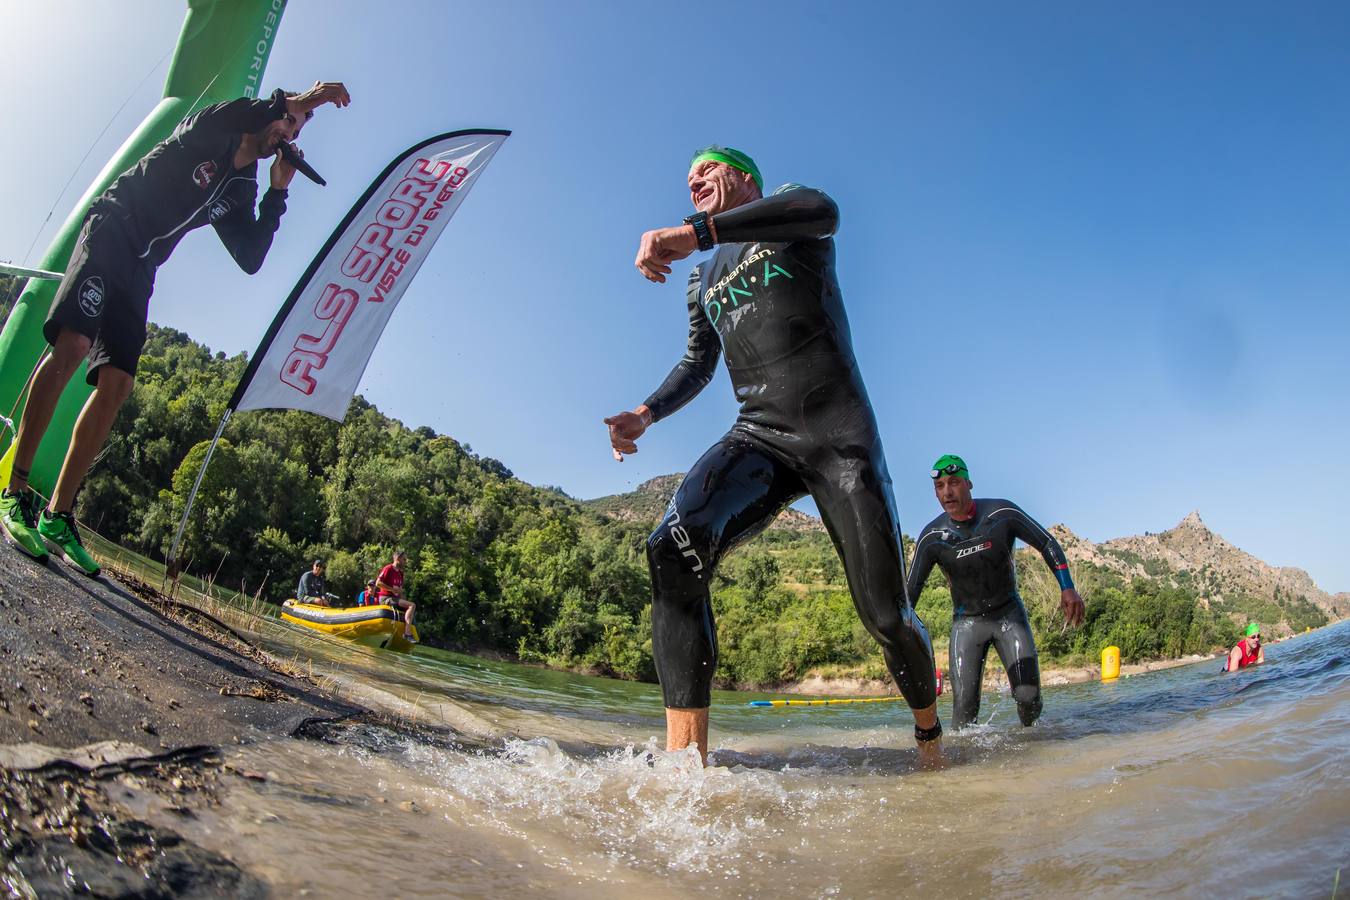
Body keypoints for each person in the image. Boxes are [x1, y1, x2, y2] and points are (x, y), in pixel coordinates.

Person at [604, 146, 942, 766]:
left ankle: (929, 738)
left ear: (743, 177)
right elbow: (696, 365)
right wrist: (645, 414)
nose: (694, 181)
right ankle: (687, 767)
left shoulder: (787, 214)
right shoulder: (701, 278)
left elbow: (825, 211)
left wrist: (697, 232)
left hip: (839, 440)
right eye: (686, 180)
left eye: (706, 170)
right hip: (760, 435)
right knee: (672, 547)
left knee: (887, 616)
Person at [0, 81, 351, 576]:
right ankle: (13, 493)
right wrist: (307, 100)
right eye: (290, 120)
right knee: (74, 342)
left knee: (118, 383)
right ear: (274, 108)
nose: (290, 130)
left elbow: (251, 257)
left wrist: (277, 193)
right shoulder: (216, 126)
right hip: (112, 227)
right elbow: (253, 111)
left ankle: (58, 515)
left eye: (298, 127)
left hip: (143, 265)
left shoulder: (243, 185)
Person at [906, 454, 1085, 729]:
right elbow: (911, 592)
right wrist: (900, 636)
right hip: (967, 624)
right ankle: (968, 770)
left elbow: (1046, 542)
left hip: (1008, 616)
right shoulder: (933, 537)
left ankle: (1032, 751)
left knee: (1029, 697)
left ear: (969, 484)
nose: (947, 492)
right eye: (939, 487)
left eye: (953, 483)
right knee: (964, 714)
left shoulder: (1001, 514)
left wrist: (1067, 588)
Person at [376, 550, 416, 641]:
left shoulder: (401, 574)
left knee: (410, 607)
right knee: (412, 605)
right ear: (397, 559)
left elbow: (400, 591)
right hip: (386, 598)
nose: (405, 562)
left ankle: (406, 632)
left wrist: (402, 597)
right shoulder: (388, 568)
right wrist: (392, 589)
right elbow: (378, 583)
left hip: (395, 599)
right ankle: (407, 633)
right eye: (404, 559)